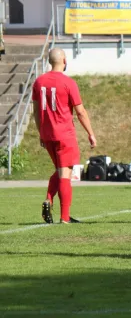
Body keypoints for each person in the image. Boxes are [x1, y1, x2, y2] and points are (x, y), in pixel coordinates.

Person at [32, 48, 97, 224]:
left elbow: (36, 112)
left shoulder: (38, 82)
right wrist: (91, 133)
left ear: (49, 61)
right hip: (64, 134)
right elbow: (81, 111)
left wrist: (41, 133)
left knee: (61, 171)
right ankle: (64, 217)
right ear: (65, 61)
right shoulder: (68, 83)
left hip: (48, 134)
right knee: (65, 174)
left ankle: (49, 200)